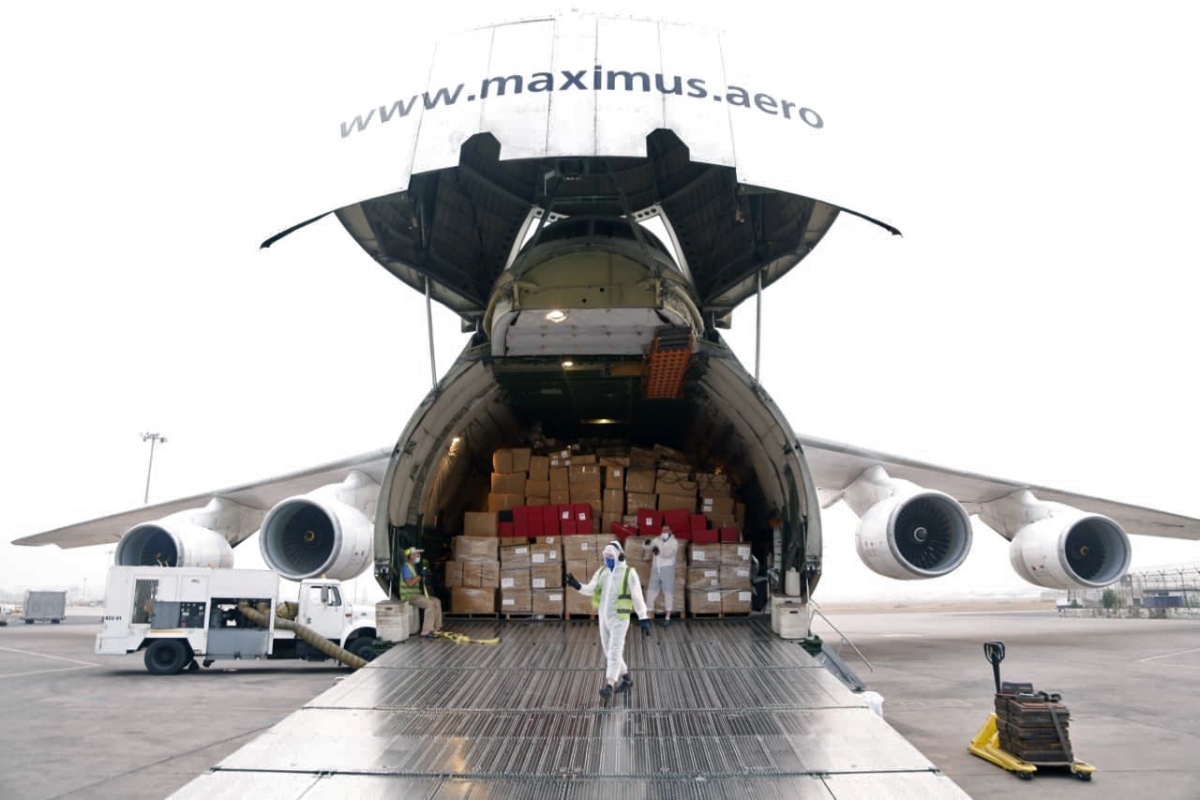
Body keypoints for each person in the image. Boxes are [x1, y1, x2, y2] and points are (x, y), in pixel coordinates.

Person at [566, 541, 651, 700]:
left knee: (615, 651)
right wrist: (577, 586)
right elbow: (591, 589)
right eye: (606, 557)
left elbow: (637, 596)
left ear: (620, 555)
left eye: (611, 556)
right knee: (608, 651)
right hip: (604, 618)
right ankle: (627, 679)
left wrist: (643, 617)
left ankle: (609, 686)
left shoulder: (629, 573)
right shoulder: (602, 572)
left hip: (620, 618)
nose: (608, 559)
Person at [398, 547, 442, 638]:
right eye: (416, 554)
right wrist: (421, 575)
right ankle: (426, 630)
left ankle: (436, 628)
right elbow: (410, 583)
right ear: (410, 556)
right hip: (408, 596)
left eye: (419, 554)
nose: (419, 555)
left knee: (437, 601)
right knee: (429, 604)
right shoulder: (406, 567)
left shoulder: (413, 567)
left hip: (416, 595)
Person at [643, 525, 680, 625]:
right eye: (663, 530)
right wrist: (647, 543)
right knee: (651, 591)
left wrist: (658, 551)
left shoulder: (674, 542)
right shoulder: (657, 540)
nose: (664, 532)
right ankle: (648, 616)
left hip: (667, 569)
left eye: (666, 530)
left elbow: (668, 554)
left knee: (668, 592)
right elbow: (648, 546)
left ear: (670, 531)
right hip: (656, 568)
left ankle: (667, 617)